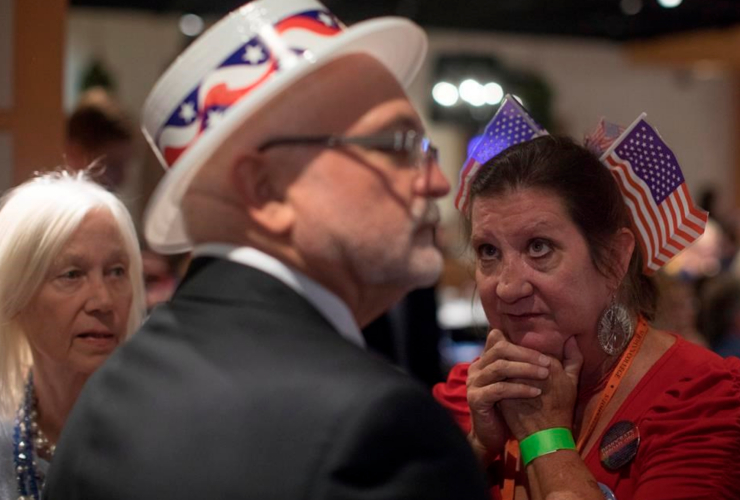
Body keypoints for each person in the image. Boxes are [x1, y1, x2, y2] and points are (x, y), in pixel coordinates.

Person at [45, 1, 488, 499]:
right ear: (266, 190)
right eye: (398, 144)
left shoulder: (106, 392)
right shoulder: (381, 431)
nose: (437, 181)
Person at [433, 116, 740, 499]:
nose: (508, 286)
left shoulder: (700, 401)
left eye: (539, 247)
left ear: (614, 258)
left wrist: (545, 434)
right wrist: (476, 447)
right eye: (488, 251)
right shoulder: (468, 396)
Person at [0, 170, 145, 500]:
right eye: (72, 274)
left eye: (116, 272)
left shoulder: (169, 432)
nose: (103, 301)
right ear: (15, 297)